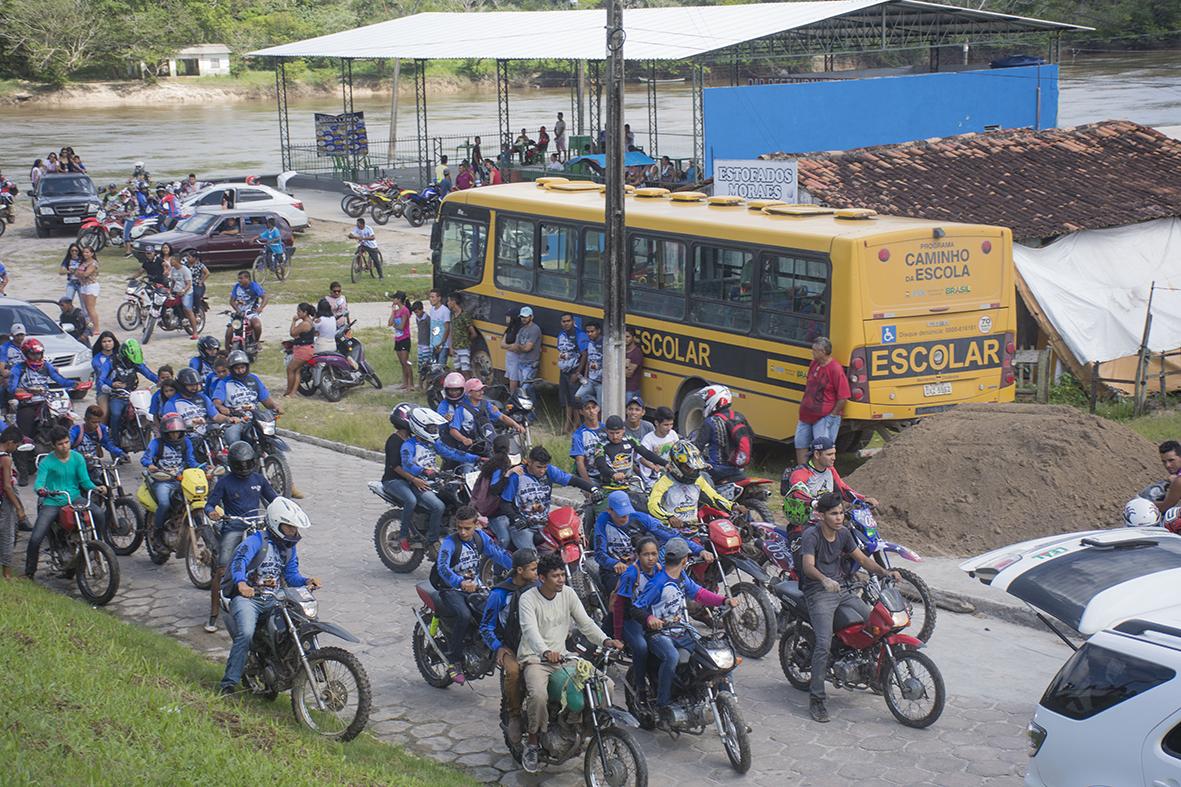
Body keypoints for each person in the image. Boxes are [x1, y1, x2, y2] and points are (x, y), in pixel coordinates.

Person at [799, 492, 900, 722]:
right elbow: (808, 566)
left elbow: (863, 560)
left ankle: (873, 674)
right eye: (833, 514)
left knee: (876, 625)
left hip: (842, 590)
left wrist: (886, 572)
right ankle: (817, 700)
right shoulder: (811, 536)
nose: (838, 518)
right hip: (819, 593)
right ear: (821, 515)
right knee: (823, 644)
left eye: (841, 513)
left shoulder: (844, 533)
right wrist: (824, 580)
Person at [517, 551, 622, 772]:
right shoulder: (527, 599)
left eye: (562, 575)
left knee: (606, 684)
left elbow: (586, 624)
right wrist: (545, 652)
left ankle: (588, 730)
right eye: (555, 576)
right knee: (538, 695)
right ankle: (534, 743)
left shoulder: (568, 594)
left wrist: (606, 640)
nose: (561, 579)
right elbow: (530, 632)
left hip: (564, 657)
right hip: (535, 659)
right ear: (542, 578)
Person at [219, 497, 320, 694]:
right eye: (290, 528)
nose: (294, 532)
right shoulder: (256, 541)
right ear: (276, 523)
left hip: (275, 598)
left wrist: (307, 581)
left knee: (303, 621)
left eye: (295, 528)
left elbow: (291, 575)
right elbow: (239, 562)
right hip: (249, 598)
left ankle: (308, 662)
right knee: (246, 634)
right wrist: (241, 583)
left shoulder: (289, 548)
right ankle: (228, 683)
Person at [635, 537, 737, 723]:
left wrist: (723, 600)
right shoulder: (658, 583)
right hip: (659, 634)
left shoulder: (681, 578)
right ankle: (662, 704)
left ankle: (730, 706)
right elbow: (637, 607)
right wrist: (650, 618)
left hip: (682, 630)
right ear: (685, 560)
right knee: (672, 657)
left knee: (715, 656)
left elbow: (700, 593)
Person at [431, 506, 513, 683]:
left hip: (476, 587)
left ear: (476, 525)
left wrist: (520, 568)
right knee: (464, 615)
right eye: (459, 527)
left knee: (498, 610)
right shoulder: (449, 543)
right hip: (451, 589)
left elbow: (499, 554)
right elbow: (442, 568)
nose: (462, 531)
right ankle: (454, 660)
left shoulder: (480, 538)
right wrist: (459, 582)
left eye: (467, 528)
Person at [204, 441, 278, 633]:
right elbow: (209, 504)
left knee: (276, 558)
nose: (244, 468)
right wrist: (213, 512)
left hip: (258, 525)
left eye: (247, 463)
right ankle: (213, 615)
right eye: (240, 464)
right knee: (222, 568)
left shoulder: (259, 480)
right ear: (232, 464)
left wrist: (285, 508)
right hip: (234, 527)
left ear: (253, 462)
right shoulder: (225, 482)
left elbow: (275, 499)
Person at [25, 426, 107, 579]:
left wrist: (96, 488)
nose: (65, 446)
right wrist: (41, 489)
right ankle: (29, 573)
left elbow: (85, 481)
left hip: (75, 498)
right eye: (61, 444)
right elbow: (39, 483)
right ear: (53, 445)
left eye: (67, 442)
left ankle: (98, 549)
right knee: (36, 537)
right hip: (52, 501)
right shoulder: (47, 462)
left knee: (98, 514)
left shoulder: (77, 458)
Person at [481, 547, 538, 746]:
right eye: (533, 569)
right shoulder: (499, 594)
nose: (537, 574)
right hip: (509, 647)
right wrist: (498, 647)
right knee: (513, 672)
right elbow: (486, 627)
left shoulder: (536, 588)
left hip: (533, 645)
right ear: (520, 571)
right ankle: (514, 715)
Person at [399, 406, 478, 547]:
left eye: (435, 428)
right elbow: (407, 465)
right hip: (418, 484)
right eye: (431, 428)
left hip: (436, 481)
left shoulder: (433, 443)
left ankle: (449, 528)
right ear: (419, 427)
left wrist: (476, 458)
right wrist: (423, 471)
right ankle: (432, 541)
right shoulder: (409, 445)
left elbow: (452, 452)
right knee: (438, 506)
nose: (434, 431)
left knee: (460, 497)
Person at [594, 490, 693, 596]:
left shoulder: (640, 518)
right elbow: (599, 553)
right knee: (620, 597)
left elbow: (672, 535)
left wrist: (700, 550)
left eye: (626, 513)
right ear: (610, 511)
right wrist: (614, 564)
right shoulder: (603, 521)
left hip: (642, 567)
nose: (625, 517)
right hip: (615, 571)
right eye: (620, 514)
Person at [500, 446, 596, 551]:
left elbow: (572, 480)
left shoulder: (549, 471)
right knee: (531, 558)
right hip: (523, 526)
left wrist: (593, 489)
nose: (542, 471)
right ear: (529, 462)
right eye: (539, 467)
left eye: (544, 467)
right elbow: (505, 503)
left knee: (568, 543)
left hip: (544, 523)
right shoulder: (517, 476)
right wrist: (516, 518)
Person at [781, 436, 878, 528]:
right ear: (817, 454)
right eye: (829, 454)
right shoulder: (801, 472)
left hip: (829, 521)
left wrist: (863, 499)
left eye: (834, 453)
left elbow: (843, 489)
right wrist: (814, 503)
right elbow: (796, 492)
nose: (834, 458)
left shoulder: (830, 470)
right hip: (805, 524)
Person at [647, 440, 739, 530]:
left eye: (694, 468)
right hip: (670, 531)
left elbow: (714, 497)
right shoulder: (664, 482)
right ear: (677, 465)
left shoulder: (698, 480)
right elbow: (653, 504)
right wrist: (669, 517)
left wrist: (733, 506)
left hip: (695, 529)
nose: (692, 471)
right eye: (688, 467)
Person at [141, 413, 200, 545]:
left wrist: (204, 468)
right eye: (172, 433)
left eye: (178, 432)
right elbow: (145, 458)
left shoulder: (186, 442)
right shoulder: (157, 443)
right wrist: (150, 465)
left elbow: (191, 461)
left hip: (181, 479)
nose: (175, 435)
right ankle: (157, 531)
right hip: (162, 480)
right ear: (165, 432)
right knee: (165, 503)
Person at [795, 336, 850, 466]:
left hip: (824, 416)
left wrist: (833, 415)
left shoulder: (835, 369)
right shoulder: (814, 364)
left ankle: (822, 476)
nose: (812, 352)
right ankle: (802, 472)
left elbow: (843, 396)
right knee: (800, 443)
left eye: (815, 350)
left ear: (823, 352)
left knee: (823, 448)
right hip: (806, 414)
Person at [212, 351, 283, 444]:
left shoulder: (254, 379)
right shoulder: (224, 383)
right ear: (231, 369)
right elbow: (216, 402)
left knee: (269, 434)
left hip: (256, 417)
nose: (241, 371)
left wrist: (276, 407)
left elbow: (266, 400)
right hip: (237, 419)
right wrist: (221, 408)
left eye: (242, 367)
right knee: (233, 437)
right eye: (237, 368)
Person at [101, 339, 158, 450]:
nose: (131, 363)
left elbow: (148, 373)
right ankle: (116, 445)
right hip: (118, 396)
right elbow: (101, 379)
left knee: (149, 413)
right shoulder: (111, 362)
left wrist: (161, 382)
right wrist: (111, 384)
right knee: (116, 414)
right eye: (129, 360)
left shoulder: (135, 363)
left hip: (133, 395)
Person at [693, 384, 753, 484]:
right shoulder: (739, 417)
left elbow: (697, 448)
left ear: (714, 399)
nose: (705, 404)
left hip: (716, 469)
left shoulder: (710, 422)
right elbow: (751, 437)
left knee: (695, 484)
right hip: (737, 469)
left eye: (706, 400)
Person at [446, 377, 525, 451]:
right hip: (472, 447)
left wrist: (516, 425)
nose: (482, 392)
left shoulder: (486, 404)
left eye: (482, 390)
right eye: (478, 390)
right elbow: (453, 430)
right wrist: (464, 439)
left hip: (489, 443)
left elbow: (502, 417)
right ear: (469, 393)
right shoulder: (461, 409)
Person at [595, 414, 666, 493]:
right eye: (611, 433)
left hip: (629, 485)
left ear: (623, 430)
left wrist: (665, 463)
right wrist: (613, 474)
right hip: (610, 487)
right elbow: (601, 466)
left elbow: (646, 453)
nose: (615, 437)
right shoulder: (601, 446)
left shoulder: (630, 440)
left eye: (618, 433)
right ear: (606, 431)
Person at [473, 434, 523, 544]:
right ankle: (498, 559)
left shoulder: (494, 461)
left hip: (501, 510)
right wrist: (508, 474)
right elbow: (495, 488)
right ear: (509, 448)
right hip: (496, 512)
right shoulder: (501, 462)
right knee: (504, 540)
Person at [167, 367, 233, 444]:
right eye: (191, 385)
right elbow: (171, 426)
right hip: (188, 439)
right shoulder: (172, 403)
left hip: (208, 436)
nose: (195, 387)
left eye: (196, 384)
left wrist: (228, 419)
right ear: (181, 385)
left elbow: (215, 416)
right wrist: (190, 423)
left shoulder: (203, 397)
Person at [0, 426, 25, 578]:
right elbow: (8, 488)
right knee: (7, 536)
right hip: (3, 501)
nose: (16, 448)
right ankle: (7, 574)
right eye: (16, 445)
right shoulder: (5, 458)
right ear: (10, 442)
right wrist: (19, 508)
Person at [556, 313, 587, 434]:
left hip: (574, 372)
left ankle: (576, 426)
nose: (566, 323)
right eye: (563, 321)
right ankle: (567, 425)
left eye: (568, 321)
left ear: (573, 321)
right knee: (566, 400)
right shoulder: (561, 334)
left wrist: (578, 372)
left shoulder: (580, 334)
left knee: (576, 401)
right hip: (564, 371)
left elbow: (585, 354)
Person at [505, 306, 541, 396]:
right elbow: (518, 347)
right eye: (522, 317)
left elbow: (527, 348)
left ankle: (532, 407)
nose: (523, 319)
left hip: (530, 364)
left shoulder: (535, 329)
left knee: (526, 389)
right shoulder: (521, 330)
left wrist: (518, 347)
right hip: (521, 362)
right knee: (523, 389)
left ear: (531, 317)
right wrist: (520, 347)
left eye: (526, 317)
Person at [570, 395, 605, 484]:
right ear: (581, 412)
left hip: (607, 474)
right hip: (590, 476)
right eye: (587, 408)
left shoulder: (607, 429)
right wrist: (588, 485)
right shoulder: (578, 434)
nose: (591, 411)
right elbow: (579, 462)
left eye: (594, 407)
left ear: (598, 409)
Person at [283, 303, 315, 398]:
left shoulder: (304, 324)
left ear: (305, 312)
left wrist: (293, 321)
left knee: (290, 369)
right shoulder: (310, 321)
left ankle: (289, 391)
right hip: (307, 349)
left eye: (299, 311)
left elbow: (292, 333)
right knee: (297, 371)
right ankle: (292, 393)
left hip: (303, 351)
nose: (297, 313)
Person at [640, 406, 679, 483]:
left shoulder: (673, 434)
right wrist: (653, 467)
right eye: (666, 425)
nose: (669, 428)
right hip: (654, 478)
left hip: (672, 474)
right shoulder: (648, 439)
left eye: (671, 424)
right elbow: (642, 458)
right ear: (656, 423)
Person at [228, 270, 267, 346]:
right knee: (229, 331)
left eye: (241, 278)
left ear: (247, 278)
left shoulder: (254, 286)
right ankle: (227, 349)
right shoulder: (237, 287)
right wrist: (238, 310)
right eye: (239, 278)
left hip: (251, 312)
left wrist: (261, 307)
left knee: (257, 325)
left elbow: (265, 297)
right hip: (240, 313)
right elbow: (232, 301)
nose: (239, 280)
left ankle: (256, 342)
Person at [168, 253, 200, 340]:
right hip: (176, 291)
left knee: (187, 309)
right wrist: (170, 292)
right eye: (170, 260)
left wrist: (183, 291)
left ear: (178, 260)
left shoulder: (185, 270)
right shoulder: (173, 269)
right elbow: (173, 282)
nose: (171, 262)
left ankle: (195, 332)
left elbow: (189, 284)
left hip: (186, 292)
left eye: (172, 260)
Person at [388, 291, 413, 391]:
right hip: (398, 339)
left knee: (406, 361)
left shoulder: (404, 311)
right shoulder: (396, 311)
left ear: (399, 299)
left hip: (404, 339)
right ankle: (405, 382)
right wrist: (392, 311)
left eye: (394, 298)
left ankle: (411, 384)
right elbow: (389, 323)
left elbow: (402, 326)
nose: (393, 300)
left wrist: (395, 325)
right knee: (401, 363)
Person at [574, 320, 603, 405]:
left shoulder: (604, 343)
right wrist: (586, 376)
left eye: (592, 331)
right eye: (587, 332)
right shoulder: (590, 343)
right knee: (578, 396)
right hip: (590, 380)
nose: (589, 334)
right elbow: (588, 361)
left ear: (598, 331)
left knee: (601, 406)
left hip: (601, 382)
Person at [448, 292, 474, 378]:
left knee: (465, 370)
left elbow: (473, 333)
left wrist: (466, 341)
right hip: (455, 348)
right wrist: (451, 347)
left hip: (464, 348)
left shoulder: (464, 315)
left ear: (453, 302)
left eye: (449, 301)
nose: (448, 303)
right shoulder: (452, 315)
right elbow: (451, 331)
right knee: (458, 371)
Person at [75, 245, 101, 333]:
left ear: (92, 253)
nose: (85, 254)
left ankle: (97, 328)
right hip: (83, 285)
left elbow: (86, 274)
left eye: (87, 252)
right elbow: (77, 273)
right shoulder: (83, 263)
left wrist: (79, 273)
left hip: (91, 285)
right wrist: (79, 273)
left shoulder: (93, 263)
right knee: (86, 308)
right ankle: (90, 326)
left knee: (91, 308)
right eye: (84, 252)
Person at [1154, 440, 1181, 515]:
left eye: (1171, 460)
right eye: (1164, 461)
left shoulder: (1179, 481)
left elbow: (1164, 507)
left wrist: (1144, 504)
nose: (1167, 465)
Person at [427, 288, 451, 368]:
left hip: (442, 345)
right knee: (433, 367)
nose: (431, 299)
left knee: (440, 368)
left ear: (439, 298)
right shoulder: (432, 310)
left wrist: (441, 344)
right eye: (430, 297)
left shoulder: (445, 311)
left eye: (433, 297)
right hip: (433, 344)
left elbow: (447, 328)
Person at [412, 300, 432, 390]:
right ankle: (420, 385)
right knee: (420, 365)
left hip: (426, 344)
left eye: (417, 312)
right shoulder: (418, 318)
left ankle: (426, 385)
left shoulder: (427, 318)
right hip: (421, 344)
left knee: (426, 365)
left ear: (421, 309)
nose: (416, 314)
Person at [624, 327, 644, 404]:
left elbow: (629, 374)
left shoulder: (636, 353)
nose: (625, 339)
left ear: (633, 338)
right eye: (623, 337)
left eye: (627, 337)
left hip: (631, 390)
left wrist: (616, 368)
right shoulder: (621, 351)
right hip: (621, 389)